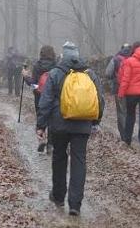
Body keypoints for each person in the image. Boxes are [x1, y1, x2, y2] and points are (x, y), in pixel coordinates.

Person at [36, 41, 103, 216]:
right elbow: (99, 99)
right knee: (79, 160)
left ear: (62, 55)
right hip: (82, 123)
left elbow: (46, 100)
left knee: (59, 157)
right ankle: (75, 204)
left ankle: (58, 196)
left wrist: (41, 125)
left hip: (59, 124)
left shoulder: (55, 73)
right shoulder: (90, 73)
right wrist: (96, 122)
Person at [22, 45, 57, 154]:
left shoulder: (38, 66)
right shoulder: (56, 66)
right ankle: (50, 144)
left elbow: (33, 83)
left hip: (39, 96)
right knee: (52, 119)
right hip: (53, 96)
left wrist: (25, 76)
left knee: (41, 117)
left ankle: (41, 139)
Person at [105, 43, 132, 139]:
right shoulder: (134, 59)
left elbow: (108, 73)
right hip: (132, 90)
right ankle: (130, 132)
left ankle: (124, 134)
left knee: (121, 112)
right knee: (130, 112)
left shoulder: (115, 59)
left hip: (118, 88)